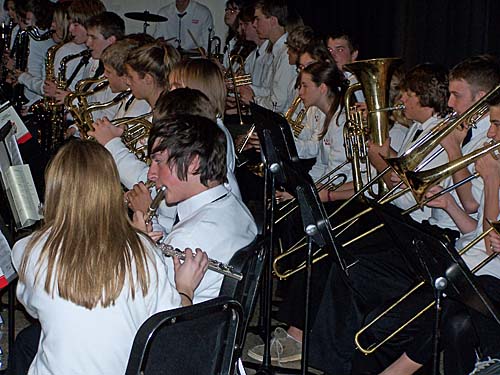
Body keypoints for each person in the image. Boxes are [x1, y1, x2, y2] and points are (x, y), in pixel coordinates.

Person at [9, 139, 209, 374]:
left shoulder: (27, 249)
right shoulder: (143, 251)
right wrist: (185, 288)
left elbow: (33, 309)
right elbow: (169, 327)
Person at [358, 93, 500, 375]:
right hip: (471, 262)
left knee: (449, 314)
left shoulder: (492, 165)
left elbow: (488, 242)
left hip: (487, 271)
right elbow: (478, 227)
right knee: (446, 315)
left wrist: (491, 179)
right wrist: (448, 204)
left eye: (496, 124)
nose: (492, 131)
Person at [134, 114, 258, 302]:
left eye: (159, 161)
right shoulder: (232, 203)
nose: (151, 174)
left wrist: (136, 244)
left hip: (182, 326)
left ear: (193, 162)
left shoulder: (188, 238)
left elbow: (143, 301)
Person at [239, 0, 297, 113]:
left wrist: (253, 100)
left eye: (258, 19)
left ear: (273, 21)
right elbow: (270, 91)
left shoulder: (286, 54)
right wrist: (249, 89)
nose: (254, 24)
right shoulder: (277, 51)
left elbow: (277, 104)